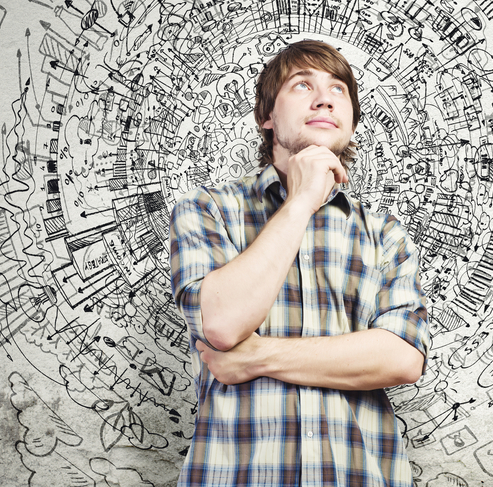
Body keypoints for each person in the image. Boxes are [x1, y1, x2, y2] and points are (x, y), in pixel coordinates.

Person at [170, 40, 430, 487]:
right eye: (302, 84)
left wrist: (257, 357)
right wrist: (301, 201)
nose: (324, 97)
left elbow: (402, 358)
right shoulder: (206, 209)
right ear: (266, 117)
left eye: (338, 89)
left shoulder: (385, 233)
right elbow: (223, 325)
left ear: (350, 119)